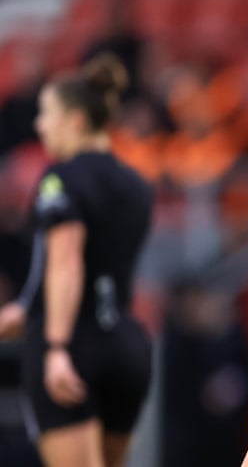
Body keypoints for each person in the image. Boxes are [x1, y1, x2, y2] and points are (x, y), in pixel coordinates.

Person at [0, 54, 154, 467]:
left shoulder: (59, 179)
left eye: (47, 114)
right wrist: (25, 308)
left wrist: (55, 346)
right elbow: (103, 262)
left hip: (73, 346)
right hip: (126, 347)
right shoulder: (137, 183)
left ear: (76, 121)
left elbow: (66, 261)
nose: (39, 126)